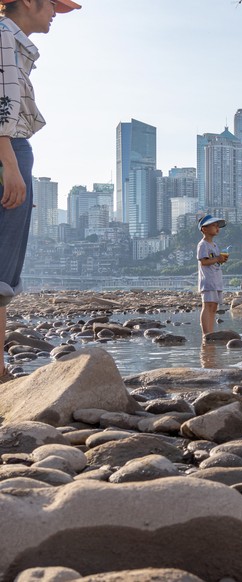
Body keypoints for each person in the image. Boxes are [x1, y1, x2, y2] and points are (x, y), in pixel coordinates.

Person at [0, 0, 80, 382]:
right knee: (2, 269)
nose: (55, 14)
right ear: (29, 1)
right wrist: (10, 166)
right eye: (52, 5)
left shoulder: (12, 42)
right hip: (7, 151)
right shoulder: (3, 36)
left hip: (10, 151)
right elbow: (2, 107)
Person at [197, 214, 228, 336]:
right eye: (214, 225)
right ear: (204, 229)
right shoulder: (203, 244)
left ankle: (211, 331)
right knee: (208, 305)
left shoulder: (214, 245)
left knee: (214, 306)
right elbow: (203, 261)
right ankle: (206, 333)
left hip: (216, 280)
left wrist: (220, 259)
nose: (217, 228)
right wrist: (217, 259)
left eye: (217, 226)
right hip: (208, 280)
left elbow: (213, 260)